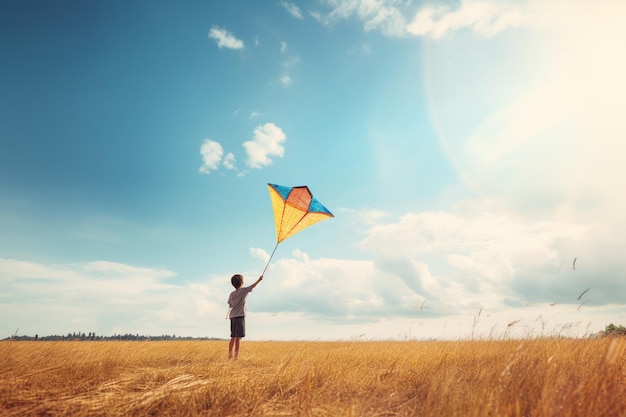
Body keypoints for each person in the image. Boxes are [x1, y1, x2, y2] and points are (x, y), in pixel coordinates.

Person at [227, 273, 263, 360]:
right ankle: (236, 357)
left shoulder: (231, 294)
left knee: (233, 337)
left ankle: (230, 355)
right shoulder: (243, 291)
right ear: (241, 282)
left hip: (232, 317)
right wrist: (259, 280)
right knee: (238, 338)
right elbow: (252, 286)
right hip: (240, 316)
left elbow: (230, 305)